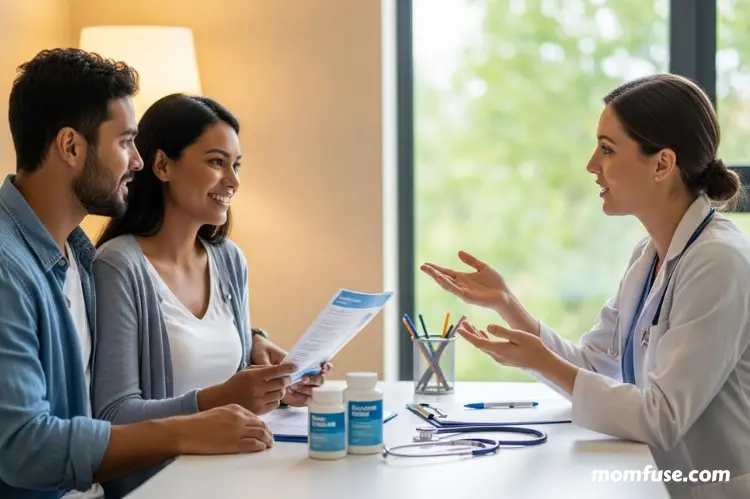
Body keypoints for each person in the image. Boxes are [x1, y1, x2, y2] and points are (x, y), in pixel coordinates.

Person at [421, 73, 750, 499]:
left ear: (663, 164)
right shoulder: (647, 255)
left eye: (607, 149)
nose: (592, 165)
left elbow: (662, 418)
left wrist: (543, 359)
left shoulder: (718, 261)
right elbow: (594, 369)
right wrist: (508, 306)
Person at [0, 49, 276, 499]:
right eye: (126, 142)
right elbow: (25, 448)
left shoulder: (78, 257)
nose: (138, 162)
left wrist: (253, 338)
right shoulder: (9, 271)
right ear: (71, 146)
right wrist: (186, 430)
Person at [91, 93, 330, 497]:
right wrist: (219, 399)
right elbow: (113, 417)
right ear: (163, 165)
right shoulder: (117, 267)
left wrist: (276, 390)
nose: (233, 181)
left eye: (236, 165)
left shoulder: (228, 260)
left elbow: (234, 385)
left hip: (237, 476)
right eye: (217, 162)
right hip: (162, 486)